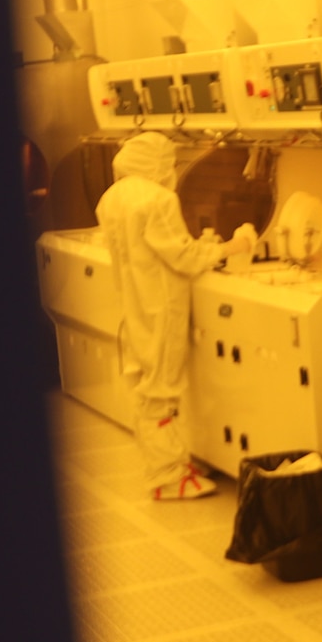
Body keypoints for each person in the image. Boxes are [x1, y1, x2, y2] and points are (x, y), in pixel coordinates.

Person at [94, 132, 254, 501]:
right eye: (170, 162)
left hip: (135, 302)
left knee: (146, 383)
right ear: (158, 163)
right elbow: (182, 257)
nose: (172, 170)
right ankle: (168, 476)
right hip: (163, 305)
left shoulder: (113, 197)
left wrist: (203, 246)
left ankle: (169, 461)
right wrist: (235, 246)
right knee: (160, 390)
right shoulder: (158, 199)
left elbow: (154, 247)